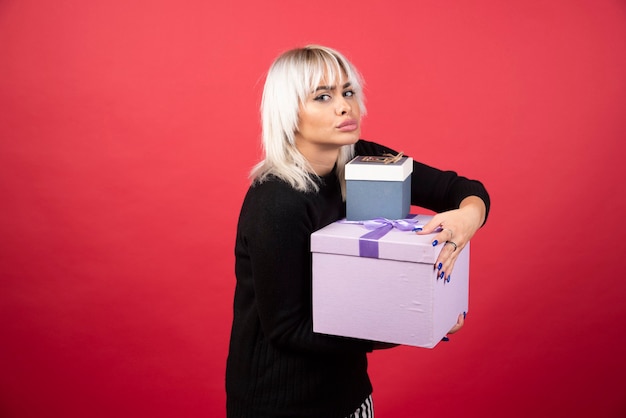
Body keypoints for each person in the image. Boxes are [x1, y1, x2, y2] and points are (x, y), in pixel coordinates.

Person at [226, 45, 490, 418]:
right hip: (281, 403)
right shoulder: (277, 201)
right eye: (323, 96)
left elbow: (460, 189)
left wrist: (468, 219)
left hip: (350, 395)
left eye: (348, 92)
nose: (344, 106)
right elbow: (288, 329)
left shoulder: (363, 160)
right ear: (289, 113)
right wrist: (413, 324)